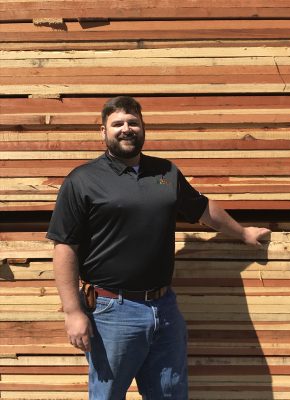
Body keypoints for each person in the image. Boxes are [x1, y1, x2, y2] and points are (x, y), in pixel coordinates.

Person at [47, 96, 270, 400]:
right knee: (107, 395)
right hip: (112, 312)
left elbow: (203, 209)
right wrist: (73, 311)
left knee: (170, 393)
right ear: (103, 132)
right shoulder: (82, 180)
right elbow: (64, 247)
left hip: (164, 309)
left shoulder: (165, 172)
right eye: (118, 124)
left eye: (133, 122)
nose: (127, 129)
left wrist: (243, 232)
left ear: (143, 128)